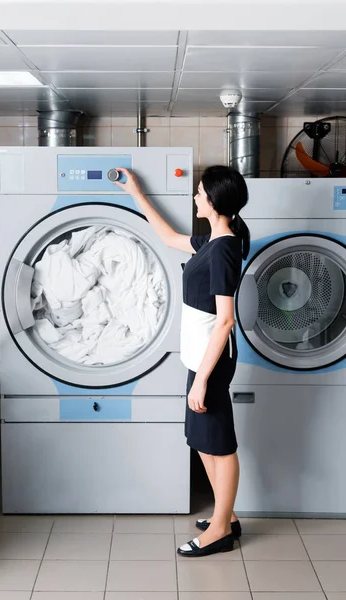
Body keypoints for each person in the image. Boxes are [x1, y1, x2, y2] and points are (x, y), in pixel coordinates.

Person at [114, 165, 250, 558]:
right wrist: (136, 193)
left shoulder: (224, 250)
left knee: (219, 445)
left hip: (211, 363)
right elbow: (170, 237)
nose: (195, 196)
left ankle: (221, 530)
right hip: (199, 357)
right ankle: (227, 515)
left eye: (199, 192)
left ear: (213, 200)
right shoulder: (212, 241)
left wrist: (203, 380)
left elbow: (226, 319)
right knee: (205, 442)